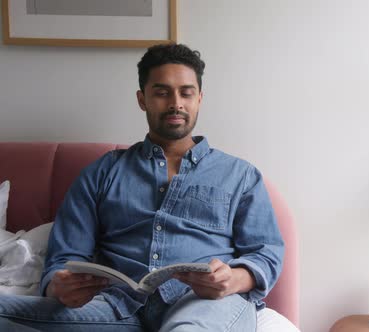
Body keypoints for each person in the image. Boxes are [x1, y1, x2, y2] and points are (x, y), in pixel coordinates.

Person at [0, 43, 284, 331]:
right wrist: (57, 286)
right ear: (142, 99)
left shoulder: (240, 175)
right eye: (162, 92)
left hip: (205, 303)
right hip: (116, 306)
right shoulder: (102, 172)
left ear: (199, 98)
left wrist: (232, 280)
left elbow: (266, 253)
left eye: (186, 92)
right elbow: (66, 256)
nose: (176, 103)